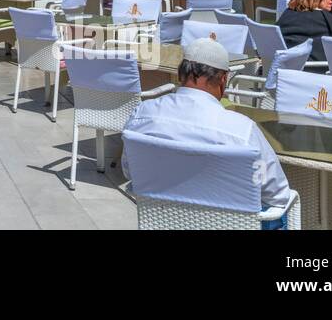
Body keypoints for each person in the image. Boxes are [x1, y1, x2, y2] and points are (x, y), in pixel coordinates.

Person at [123, 37, 294, 227]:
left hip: (164, 221)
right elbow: (278, 195)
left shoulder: (142, 114)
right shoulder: (242, 130)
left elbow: (129, 170)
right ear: (223, 79)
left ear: (181, 74)